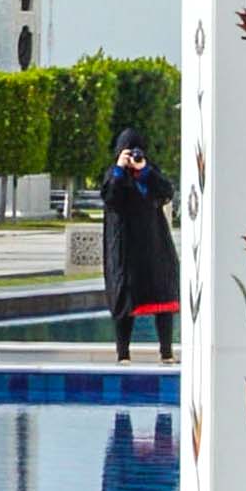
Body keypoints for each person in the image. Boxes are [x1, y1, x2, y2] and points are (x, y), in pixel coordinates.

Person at [101, 121, 179, 366]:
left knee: (162, 294)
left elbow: (166, 191)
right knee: (126, 296)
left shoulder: (149, 171)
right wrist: (119, 169)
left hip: (153, 245)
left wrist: (144, 170)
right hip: (125, 248)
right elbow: (111, 198)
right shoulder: (113, 175)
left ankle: (166, 351)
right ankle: (123, 353)